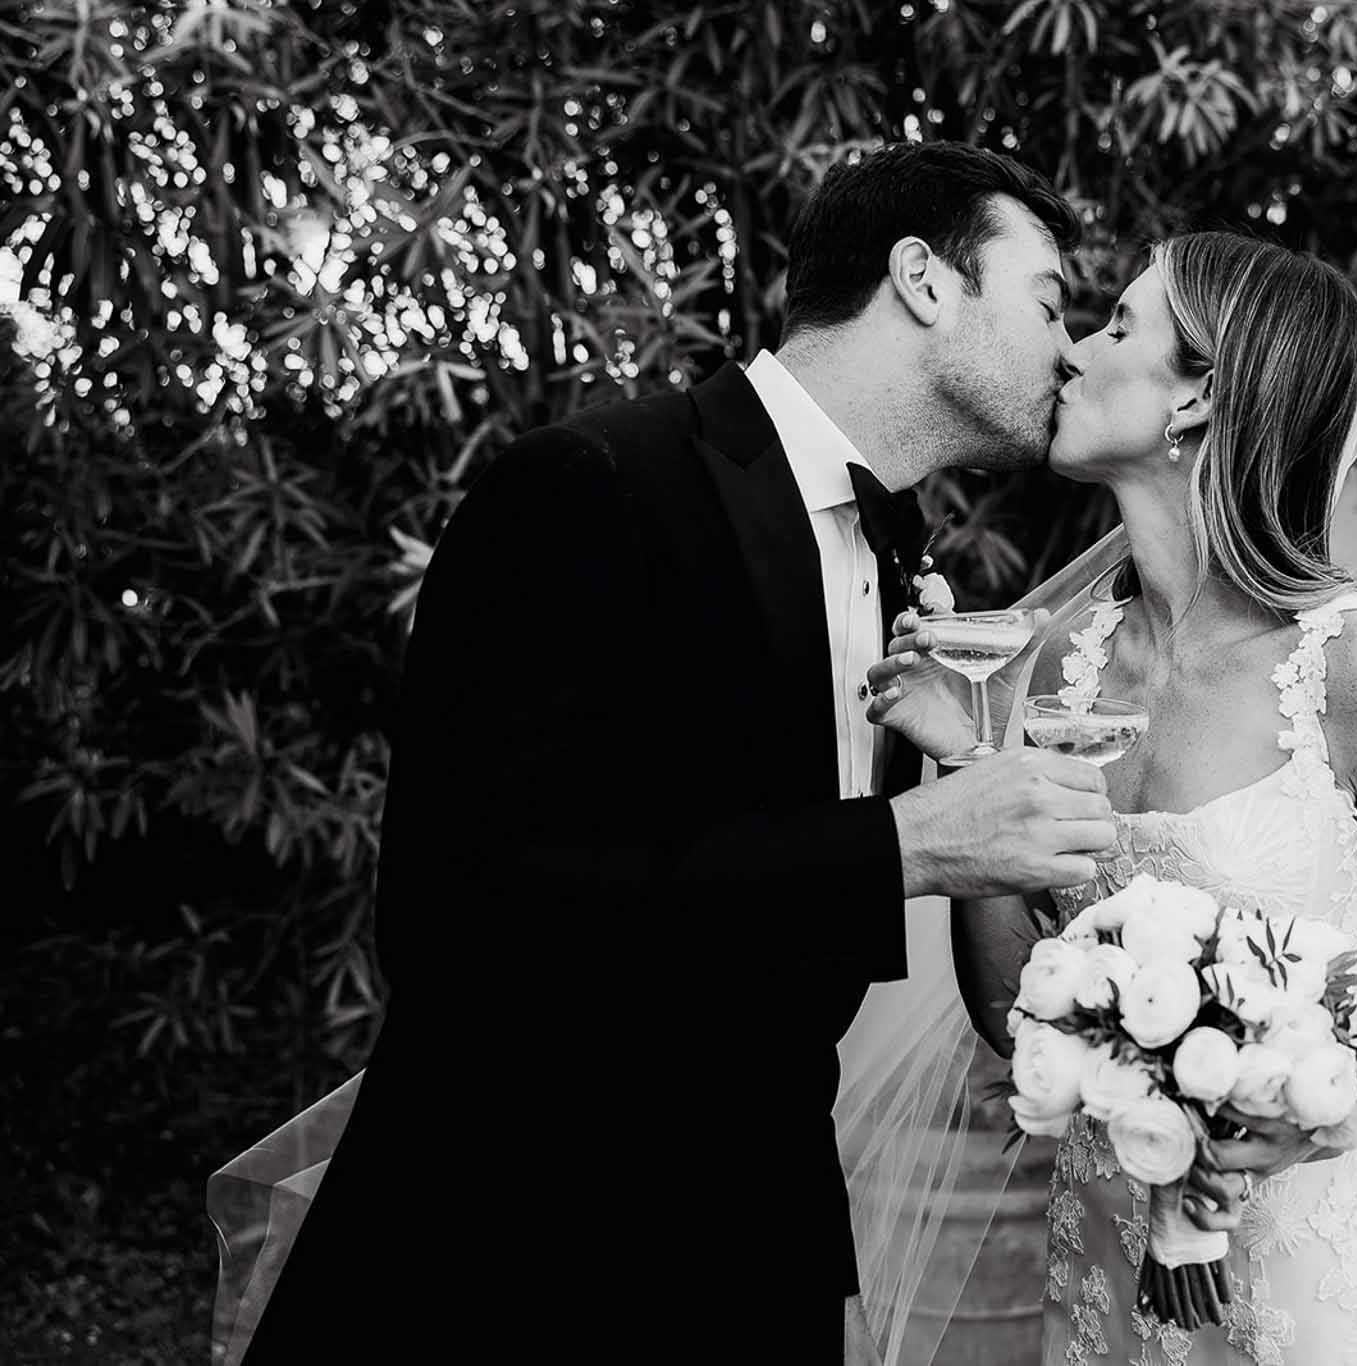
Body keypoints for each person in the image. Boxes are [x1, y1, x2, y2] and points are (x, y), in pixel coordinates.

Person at [219, 141, 1120, 1366]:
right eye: (1048, 299)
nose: (1068, 349)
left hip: (752, 1254)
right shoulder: (591, 488)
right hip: (516, 1253)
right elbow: (469, 916)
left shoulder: (905, 557)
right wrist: (906, 844)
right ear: (922, 279)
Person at [869, 231, 1357, 1364]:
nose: (1074, 352)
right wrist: (970, 760)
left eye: (1119, 326)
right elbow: (1007, 1017)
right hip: (1102, 1277)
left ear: (1200, 398)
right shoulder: (1057, 662)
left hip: (1308, 1289)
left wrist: (1336, 1106)